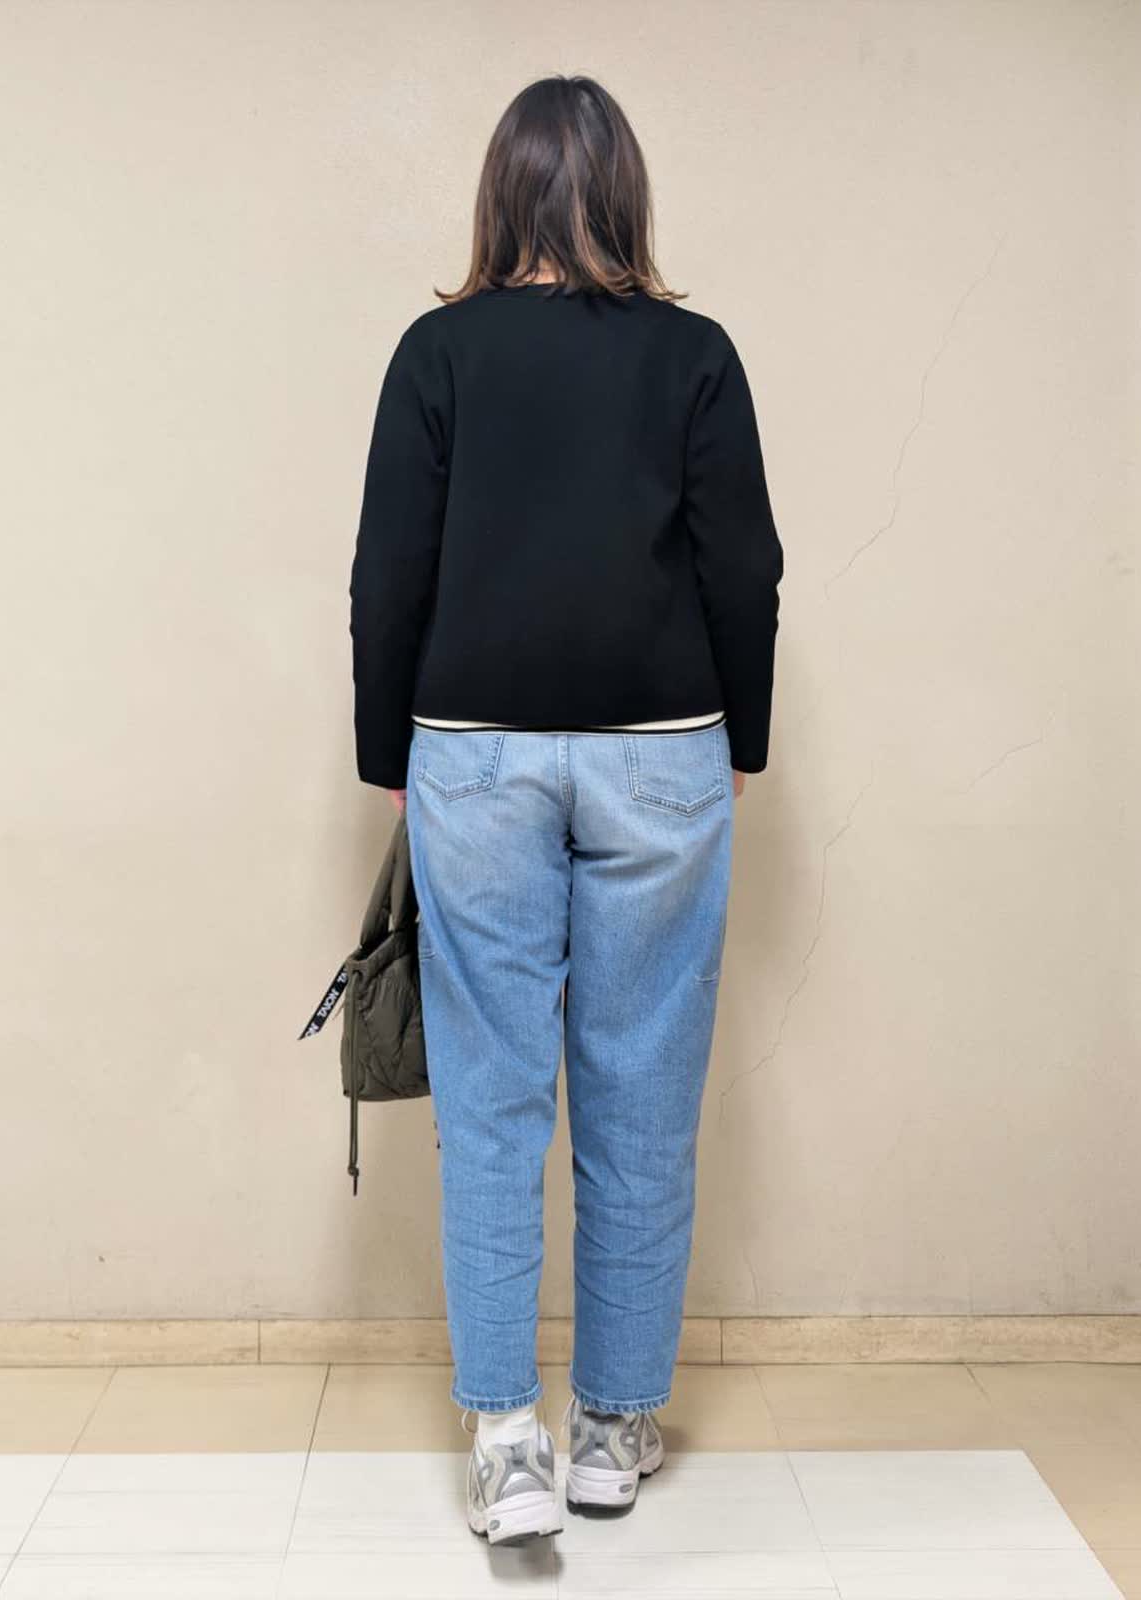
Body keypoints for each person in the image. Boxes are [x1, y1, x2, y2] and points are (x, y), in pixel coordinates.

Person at [348, 72, 783, 1546]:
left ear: (500, 195)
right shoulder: (696, 355)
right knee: (642, 1092)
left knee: (490, 1099)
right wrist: (742, 740)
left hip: (473, 754)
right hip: (663, 751)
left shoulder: (438, 352)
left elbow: (387, 572)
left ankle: (505, 1443)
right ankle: (610, 1429)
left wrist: (389, 753)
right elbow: (745, 568)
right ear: (627, 194)